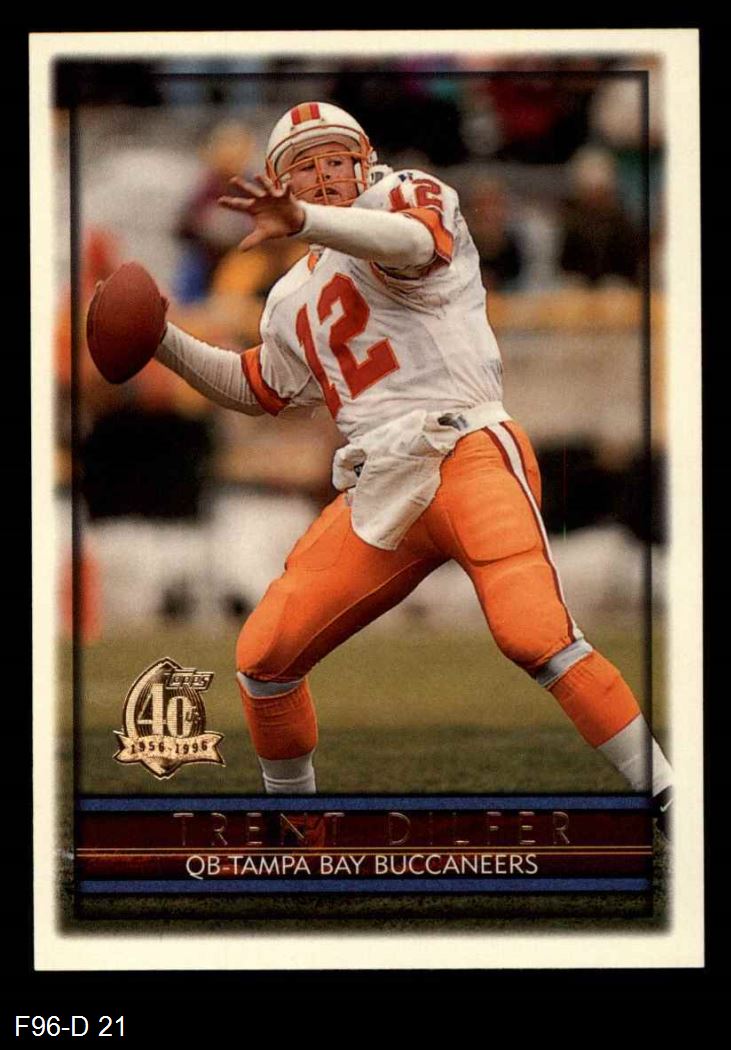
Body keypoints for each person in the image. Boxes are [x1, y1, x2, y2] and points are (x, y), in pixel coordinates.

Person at [150, 101, 672, 832]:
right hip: (380, 487)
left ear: (363, 161)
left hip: (467, 450)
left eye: (335, 159)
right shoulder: (290, 295)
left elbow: (409, 242)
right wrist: (161, 339)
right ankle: (297, 833)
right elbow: (257, 387)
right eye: (305, 166)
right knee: (265, 657)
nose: (323, 175)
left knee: (534, 634)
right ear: (279, 182)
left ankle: (669, 797)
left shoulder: (406, 195)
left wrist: (307, 221)